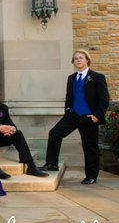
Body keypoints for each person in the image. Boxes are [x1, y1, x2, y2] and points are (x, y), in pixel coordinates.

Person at [40, 49, 110, 185]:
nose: (78, 60)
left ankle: (91, 176)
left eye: (81, 58)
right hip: (72, 115)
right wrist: (67, 110)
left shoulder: (97, 77)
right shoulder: (71, 78)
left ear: (87, 60)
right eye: (76, 58)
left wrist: (96, 116)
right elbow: (69, 97)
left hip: (88, 117)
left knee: (89, 147)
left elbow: (104, 100)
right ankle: (51, 163)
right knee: (54, 133)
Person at [0, 86, 48, 179]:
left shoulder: (3, 108)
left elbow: (9, 122)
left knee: (18, 134)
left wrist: (11, 129)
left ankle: (30, 166)